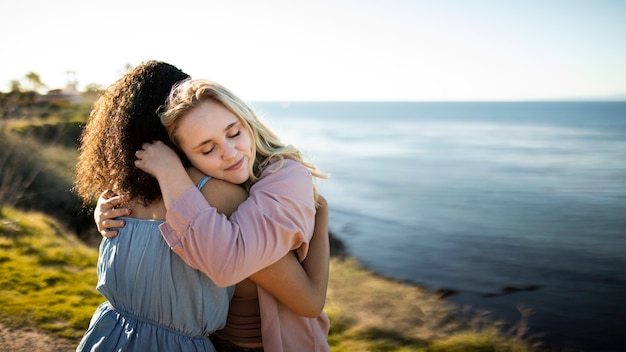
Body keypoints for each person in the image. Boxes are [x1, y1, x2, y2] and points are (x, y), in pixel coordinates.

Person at [76, 61, 329, 351]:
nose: (229, 153)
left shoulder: (128, 196)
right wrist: (321, 216)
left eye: (234, 133)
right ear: (174, 145)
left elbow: (308, 302)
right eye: (207, 149)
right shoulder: (214, 197)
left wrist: (320, 212)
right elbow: (308, 300)